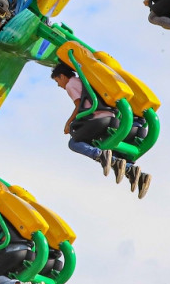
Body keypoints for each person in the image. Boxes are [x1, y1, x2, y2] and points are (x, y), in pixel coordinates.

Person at [50, 64, 151, 198]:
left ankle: (99, 155)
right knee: (109, 148)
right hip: (113, 119)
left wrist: (68, 124)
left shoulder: (71, 84)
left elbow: (78, 106)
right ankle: (133, 171)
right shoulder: (87, 78)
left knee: (74, 142)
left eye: (57, 81)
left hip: (98, 119)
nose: (59, 85)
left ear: (62, 76)